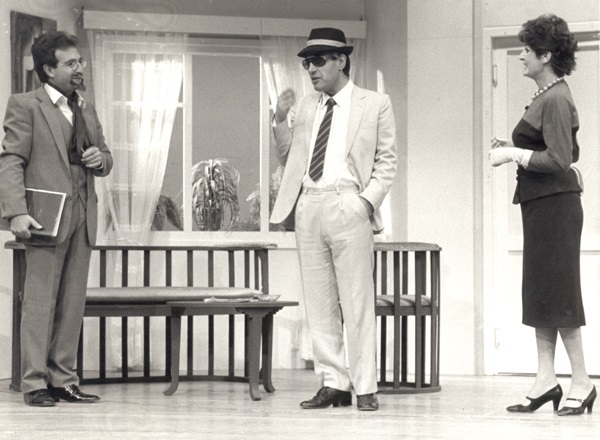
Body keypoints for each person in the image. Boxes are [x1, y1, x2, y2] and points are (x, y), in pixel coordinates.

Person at [270, 27, 397, 411]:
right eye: (307, 62)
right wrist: (279, 120)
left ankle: (365, 387)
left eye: (319, 60)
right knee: (319, 303)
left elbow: (386, 162)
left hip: (348, 205)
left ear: (341, 60)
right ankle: (334, 383)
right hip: (309, 206)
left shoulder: (375, 103)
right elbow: (289, 159)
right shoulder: (306, 106)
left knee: (357, 301)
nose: (311, 68)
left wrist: (364, 204)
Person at [489, 14, 595, 416]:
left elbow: (561, 159)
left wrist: (513, 154)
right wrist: (512, 146)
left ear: (546, 55)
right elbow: (552, 149)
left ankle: (582, 382)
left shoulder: (555, 97)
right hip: (541, 205)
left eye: (527, 50)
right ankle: (546, 379)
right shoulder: (546, 95)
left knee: (560, 295)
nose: (521, 56)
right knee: (541, 293)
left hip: (555, 206)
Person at [0, 31, 113, 407]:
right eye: (71, 63)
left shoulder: (86, 107)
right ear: (48, 69)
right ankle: (34, 382)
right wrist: (16, 211)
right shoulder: (25, 105)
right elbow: (11, 161)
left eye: (80, 61)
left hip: (83, 216)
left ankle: (63, 380)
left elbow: (105, 155)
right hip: (46, 218)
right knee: (40, 303)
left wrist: (101, 159)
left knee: (72, 303)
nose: (80, 68)